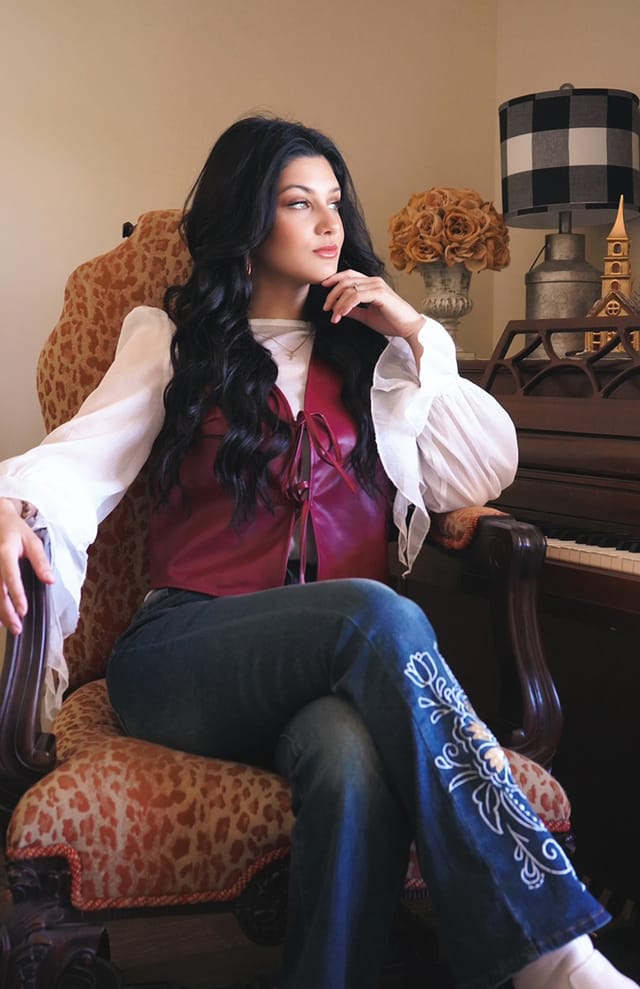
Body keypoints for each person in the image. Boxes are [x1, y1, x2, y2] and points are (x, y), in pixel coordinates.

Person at [0, 115, 635, 989]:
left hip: (328, 678)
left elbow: (482, 470)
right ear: (248, 217)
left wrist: (413, 332)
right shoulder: (174, 340)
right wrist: (15, 505)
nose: (331, 222)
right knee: (375, 610)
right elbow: (84, 454)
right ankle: (553, 953)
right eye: (300, 202)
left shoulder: (373, 358)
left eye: (336, 201)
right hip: (184, 653)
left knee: (348, 758)